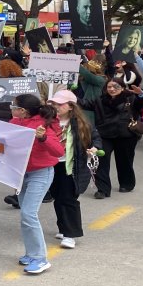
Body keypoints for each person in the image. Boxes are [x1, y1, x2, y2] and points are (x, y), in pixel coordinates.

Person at [10, 94, 64, 274]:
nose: (12, 108)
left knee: (28, 214)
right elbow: (0, 132)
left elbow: (58, 151)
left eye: (14, 105)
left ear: (23, 110)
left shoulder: (43, 125)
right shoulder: (18, 121)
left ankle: (41, 258)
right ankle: (32, 253)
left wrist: (43, 138)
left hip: (40, 174)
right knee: (26, 215)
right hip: (24, 174)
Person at [46, 91, 101, 249]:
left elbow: (95, 138)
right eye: (54, 104)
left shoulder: (80, 123)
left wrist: (94, 148)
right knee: (58, 197)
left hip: (70, 166)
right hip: (51, 164)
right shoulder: (48, 121)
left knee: (69, 199)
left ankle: (71, 234)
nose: (56, 107)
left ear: (71, 106)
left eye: (60, 104)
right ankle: (63, 228)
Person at [81, 78, 143, 198]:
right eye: (109, 87)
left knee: (125, 161)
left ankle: (126, 184)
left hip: (126, 135)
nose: (112, 89)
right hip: (105, 134)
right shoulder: (100, 100)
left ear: (122, 87)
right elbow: (84, 104)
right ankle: (102, 190)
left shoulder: (131, 98)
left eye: (115, 86)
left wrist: (142, 94)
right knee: (100, 161)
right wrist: (68, 96)